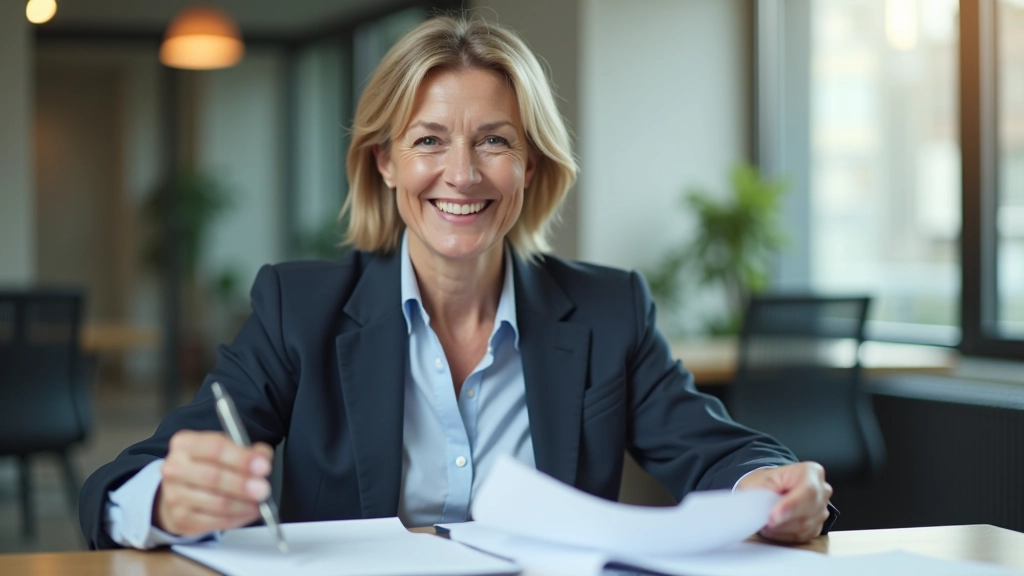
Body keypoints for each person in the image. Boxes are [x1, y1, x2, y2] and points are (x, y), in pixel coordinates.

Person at [80, 15, 835, 551]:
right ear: (386, 163)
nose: (463, 174)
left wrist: (771, 491)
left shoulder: (610, 311)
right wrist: (166, 497)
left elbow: (716, 451)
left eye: (495, 142)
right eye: (429, 141)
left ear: (531, 164)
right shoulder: (297, 308)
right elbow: (122, 481)